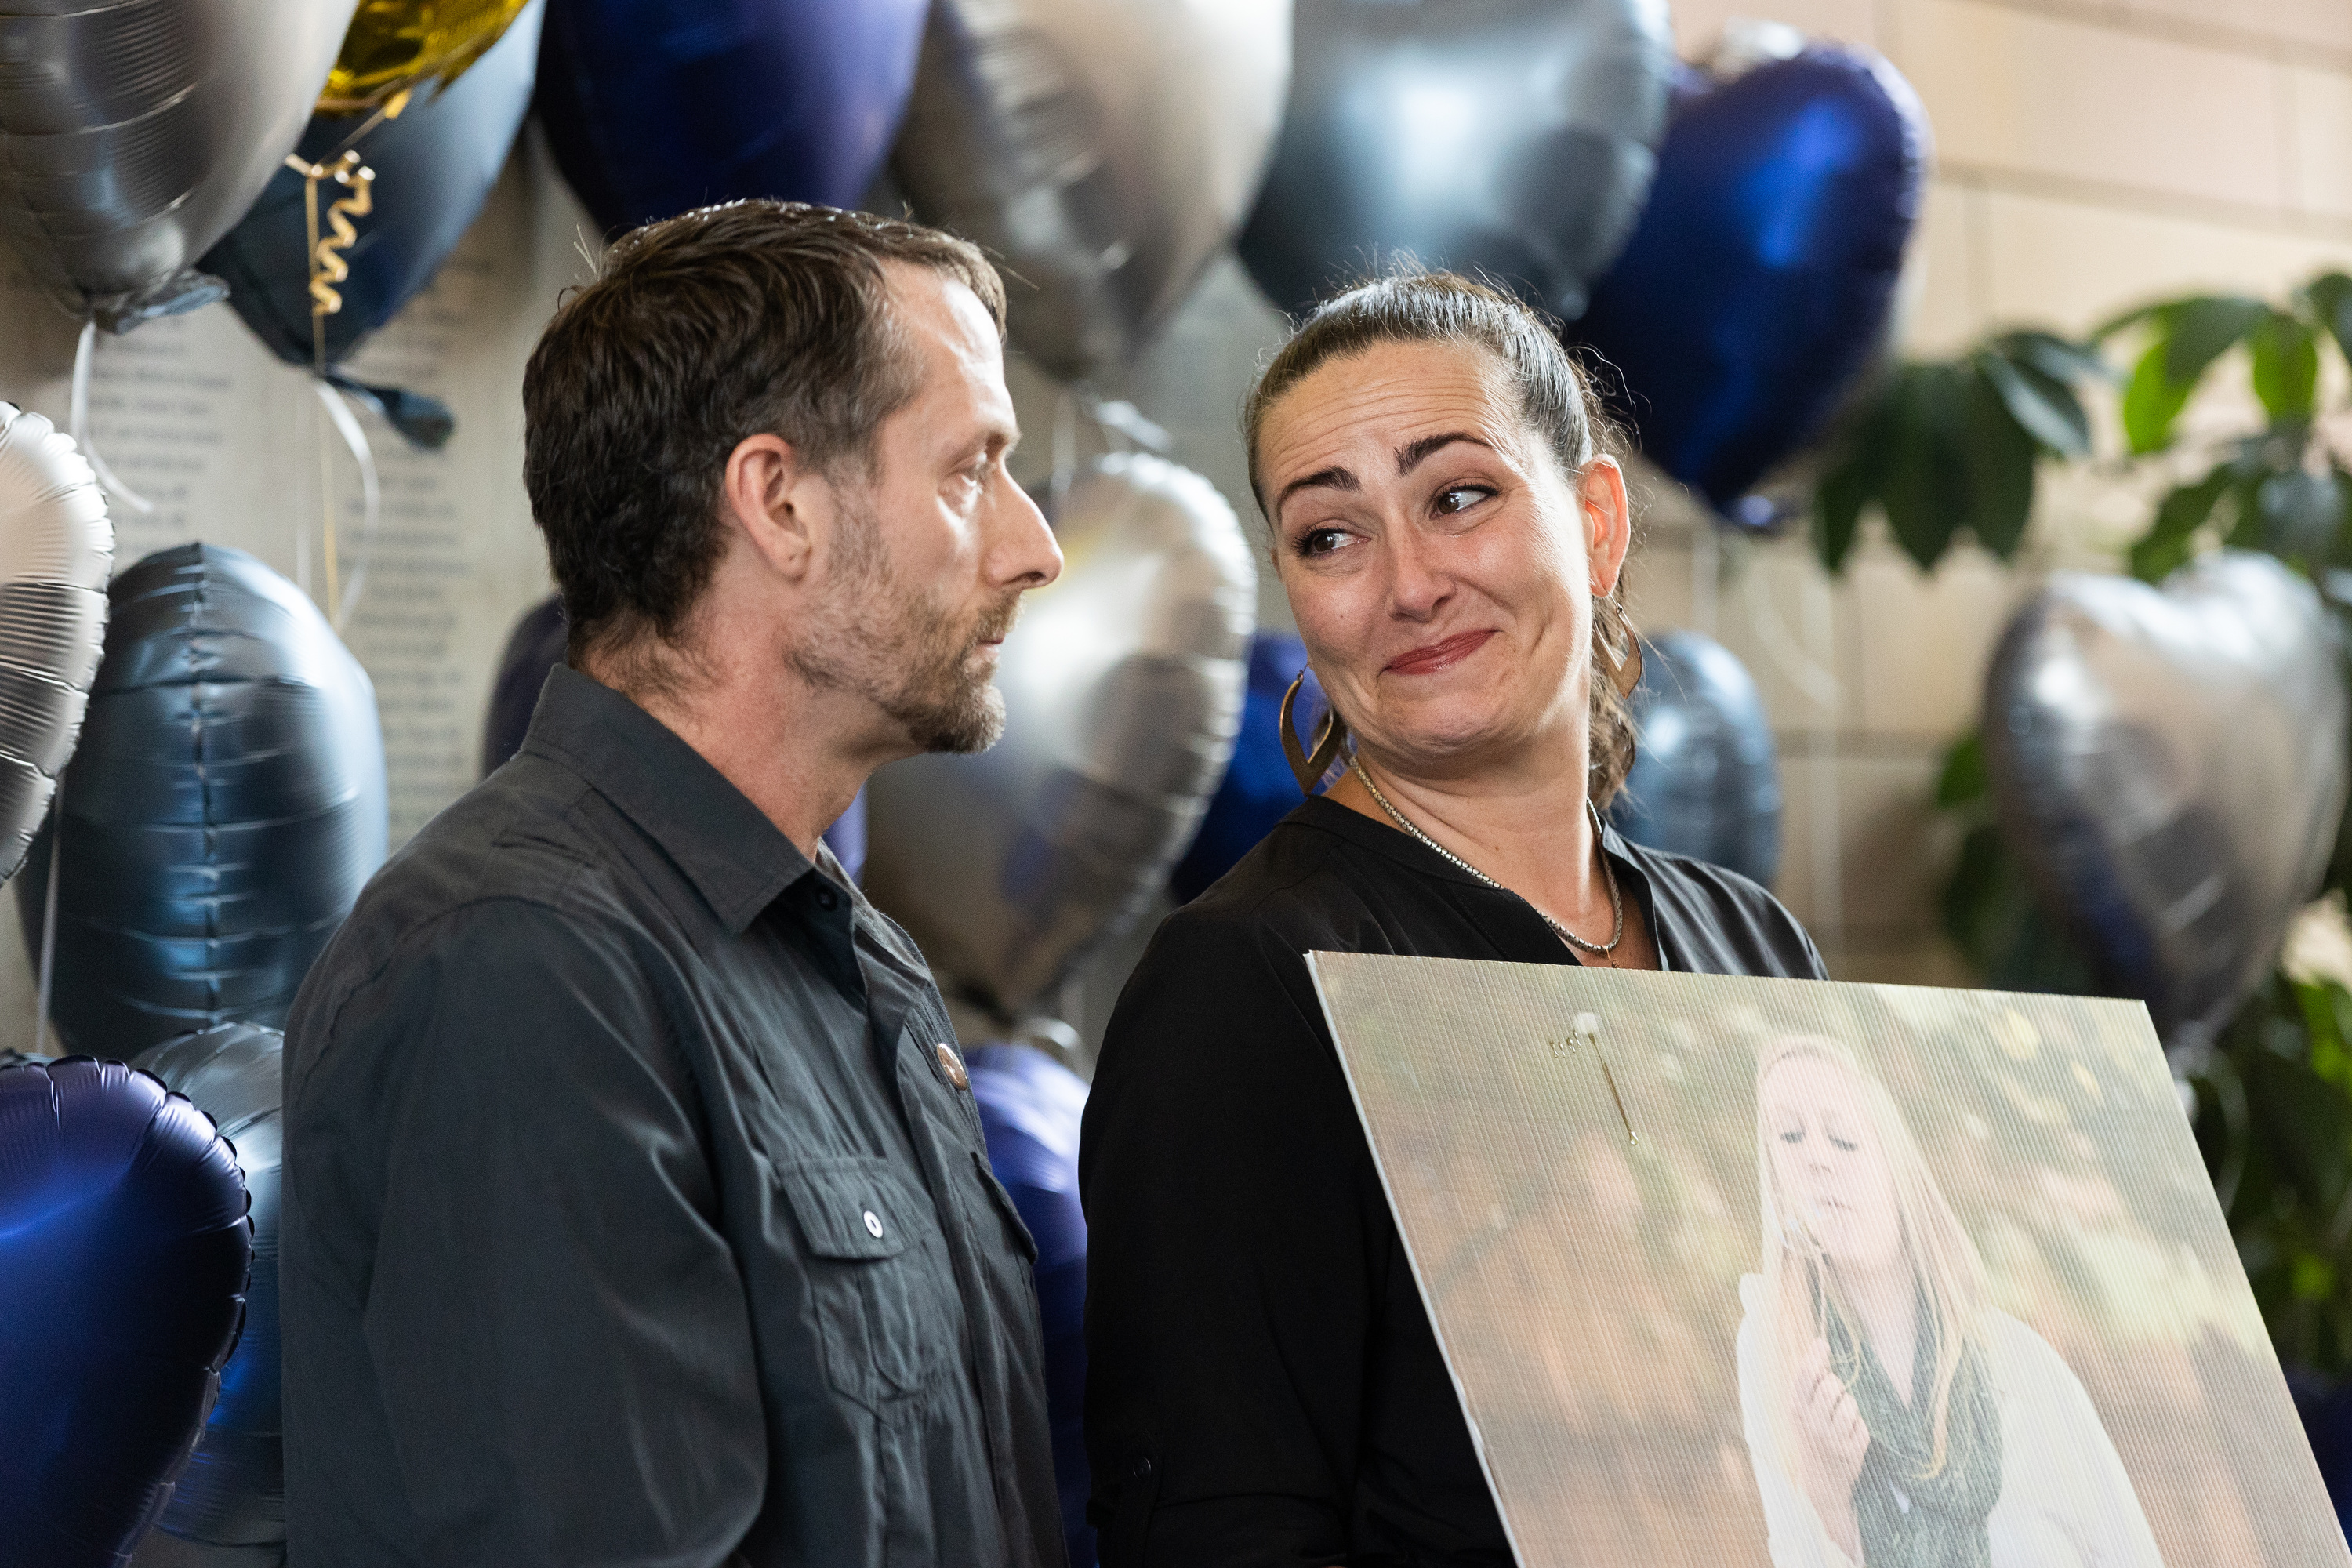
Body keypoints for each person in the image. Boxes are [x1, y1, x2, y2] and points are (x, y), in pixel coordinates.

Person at [280, 201, 1069, 1568]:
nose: (1034, 546)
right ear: (778, 503)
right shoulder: (520, 970)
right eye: (970, 471)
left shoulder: (842, 948)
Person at [1079, 270, 1827, 1564]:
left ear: (1596, 522)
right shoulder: (1250, 988)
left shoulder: (1754, 947)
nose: (1409, 584)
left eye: (1459, 497)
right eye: (1330, 536)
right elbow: (1221, 1528)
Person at [1740, 1036, 2162, 1568]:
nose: (1816, 1158)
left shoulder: (2026, 1370)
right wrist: (1828, 1501)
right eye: (1789, 1136)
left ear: (1901, 1166)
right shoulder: (1776, 1359)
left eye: (1844, 1139)